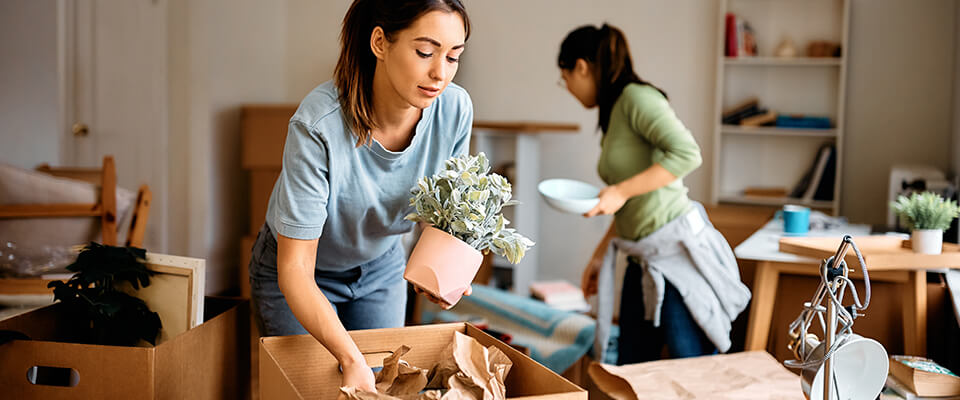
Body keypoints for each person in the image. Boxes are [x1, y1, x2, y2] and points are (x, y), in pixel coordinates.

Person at [248, 0, 473, 393]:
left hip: (380, 267)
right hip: (301, 275)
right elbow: (295, 269)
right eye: (425, 52)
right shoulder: (319, 125)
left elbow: (444, 209)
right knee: (318, 389)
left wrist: (443, 264)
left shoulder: (454, 109)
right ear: (380, 43)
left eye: (453, 57)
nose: (440, 73)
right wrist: (350, 358)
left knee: (383, 389)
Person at [557, 24, 750, 364]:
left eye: (565, 78)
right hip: (640, 257)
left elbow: (688, 153)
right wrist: (601, 253)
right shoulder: (614, 112)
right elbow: (629, 200)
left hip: (675, 257)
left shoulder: (636, 98)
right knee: (633, 371)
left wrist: (619, 189)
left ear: (582, 67)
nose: (568, 88)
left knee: (688, 368)